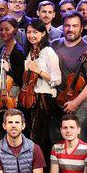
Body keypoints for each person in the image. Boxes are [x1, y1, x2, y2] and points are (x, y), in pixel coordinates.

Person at [50, 11, 87, 144]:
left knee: (78, 142)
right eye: (67, 25)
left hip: (80, 106)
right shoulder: (54, 45)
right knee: (57, 140)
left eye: (75, 26)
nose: (70, 29)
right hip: (59, 101)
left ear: (81, 28)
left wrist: (75, 102)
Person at [22, 19, 60, 150]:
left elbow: (57, 79)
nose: (31, 35)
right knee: (30, 135)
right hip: (30, 99)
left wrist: (38, 71)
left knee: (39, 138)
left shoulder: (48, 52)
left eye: (35, 32)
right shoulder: (29, 52)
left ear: (43, 33)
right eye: (28, 32)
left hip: (44, 99)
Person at [0, 17, 25, 88]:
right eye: (1, 30)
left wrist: (8, 70)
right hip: (2, 89)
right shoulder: (2, 49)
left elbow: (20, 79)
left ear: (15, 30)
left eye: (7, 29)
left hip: (14, 90)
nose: (3, 32)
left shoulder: (18, 51)